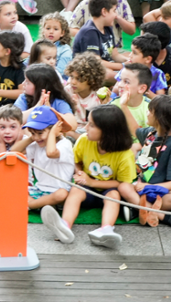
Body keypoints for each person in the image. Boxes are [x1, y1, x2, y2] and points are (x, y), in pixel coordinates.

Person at [40, 105, 135, 248]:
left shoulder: (125, 154)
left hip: (108, 189)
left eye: (91, 125)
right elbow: (76, 161)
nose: (85, 128)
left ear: (107, 131)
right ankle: (64, 225)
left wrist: (92, 182)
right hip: (86, 188)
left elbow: (121, 183)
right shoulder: (84, 140)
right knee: (76, 190)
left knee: (114, 196)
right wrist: (78, 172)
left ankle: (106, 229)